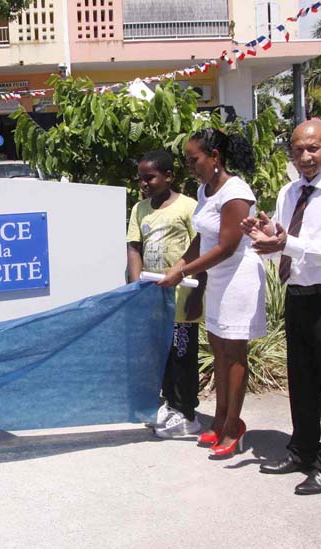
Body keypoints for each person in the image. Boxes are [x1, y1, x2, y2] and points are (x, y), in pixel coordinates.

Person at [242, 120, 321, 495]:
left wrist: (289, 244)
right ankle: (302, 449)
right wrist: (266, 237)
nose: (305, 156)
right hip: (297, 297)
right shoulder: (288, 191)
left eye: (313, 148)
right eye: (298, 149)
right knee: (302, 381)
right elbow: (283, 238)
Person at [158, 128, 266, 457]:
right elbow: (202, 238)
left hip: (238, 278)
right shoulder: (206, 190)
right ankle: (219, 421)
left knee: (234, 355)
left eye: (195, 159)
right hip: (216, 278)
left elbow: (228, 246)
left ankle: (234, 426)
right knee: (219, 351)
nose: (190, 166)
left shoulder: (236, 192)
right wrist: (180, 262)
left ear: (215, 157)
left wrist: (185, 271)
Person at [126, 150, 206, 438]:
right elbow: (134, 247)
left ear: (169, 176)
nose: (144, 184)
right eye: (140, 179)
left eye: (150, 178)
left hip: (183, 298)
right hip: (152, 298)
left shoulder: (188, 207)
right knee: (162, 353)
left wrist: (199, 292)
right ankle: (168, 404)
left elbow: (202, 247)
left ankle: (187, 412)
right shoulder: (140, 209)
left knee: (183, 354)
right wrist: (138, 287)